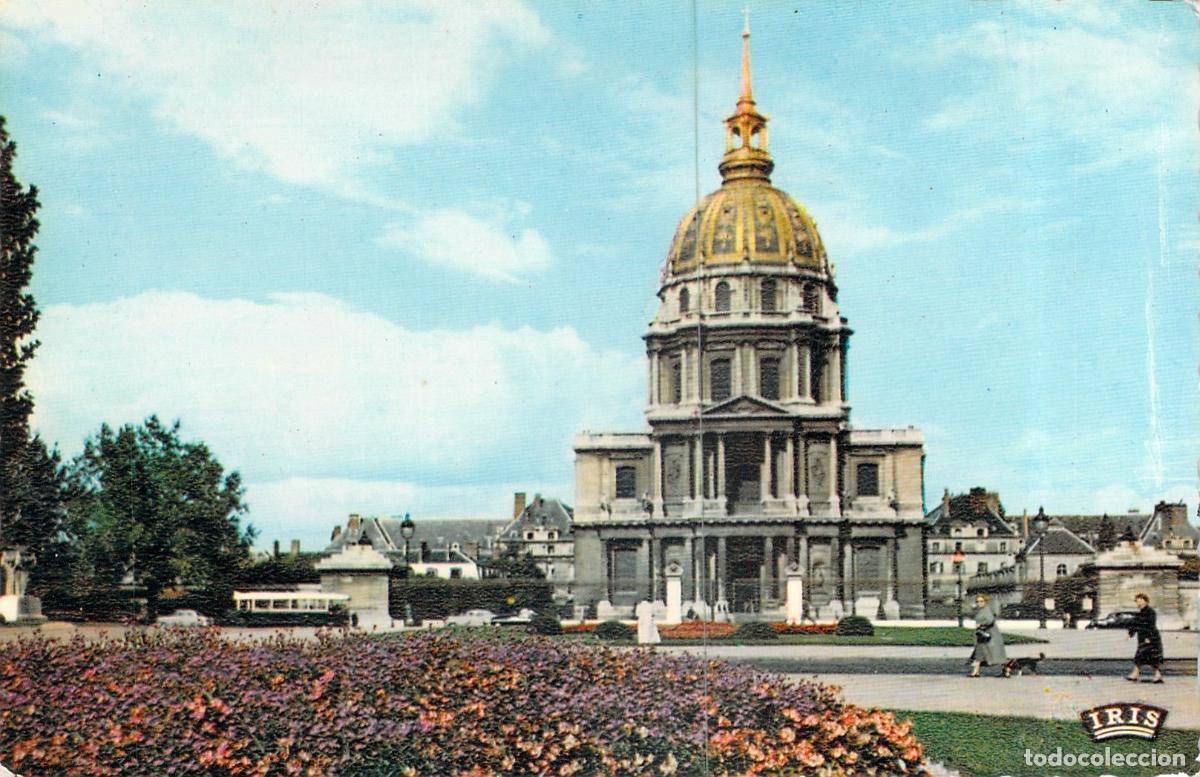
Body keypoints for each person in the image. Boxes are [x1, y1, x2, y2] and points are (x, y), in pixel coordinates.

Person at [1126, 592, 1164, 683]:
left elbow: (1150, 625)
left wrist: (1148, 638)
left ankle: (1157, 675)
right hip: (1144, 638)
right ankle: (1135, 674)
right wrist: (1130, 633)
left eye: (1140, 601)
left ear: (1145, 601)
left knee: (1150, 657)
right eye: (1137, 601)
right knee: (1142, 657)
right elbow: (1136, 624)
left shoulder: (1150, 612)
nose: (1138, 603)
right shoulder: (1142, 612)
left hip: (1150, 638)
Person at [968, 593, 1006, 677]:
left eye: (981, 601)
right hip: (982, 635)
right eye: (978, 601)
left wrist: (981, 624)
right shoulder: (980, 610)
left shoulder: (987, 610)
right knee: (979, 653)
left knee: (995, 654)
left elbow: (990, 620)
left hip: (990, 635)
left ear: (985, 602)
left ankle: (1006, 670)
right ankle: (975, 672)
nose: (979, 603)